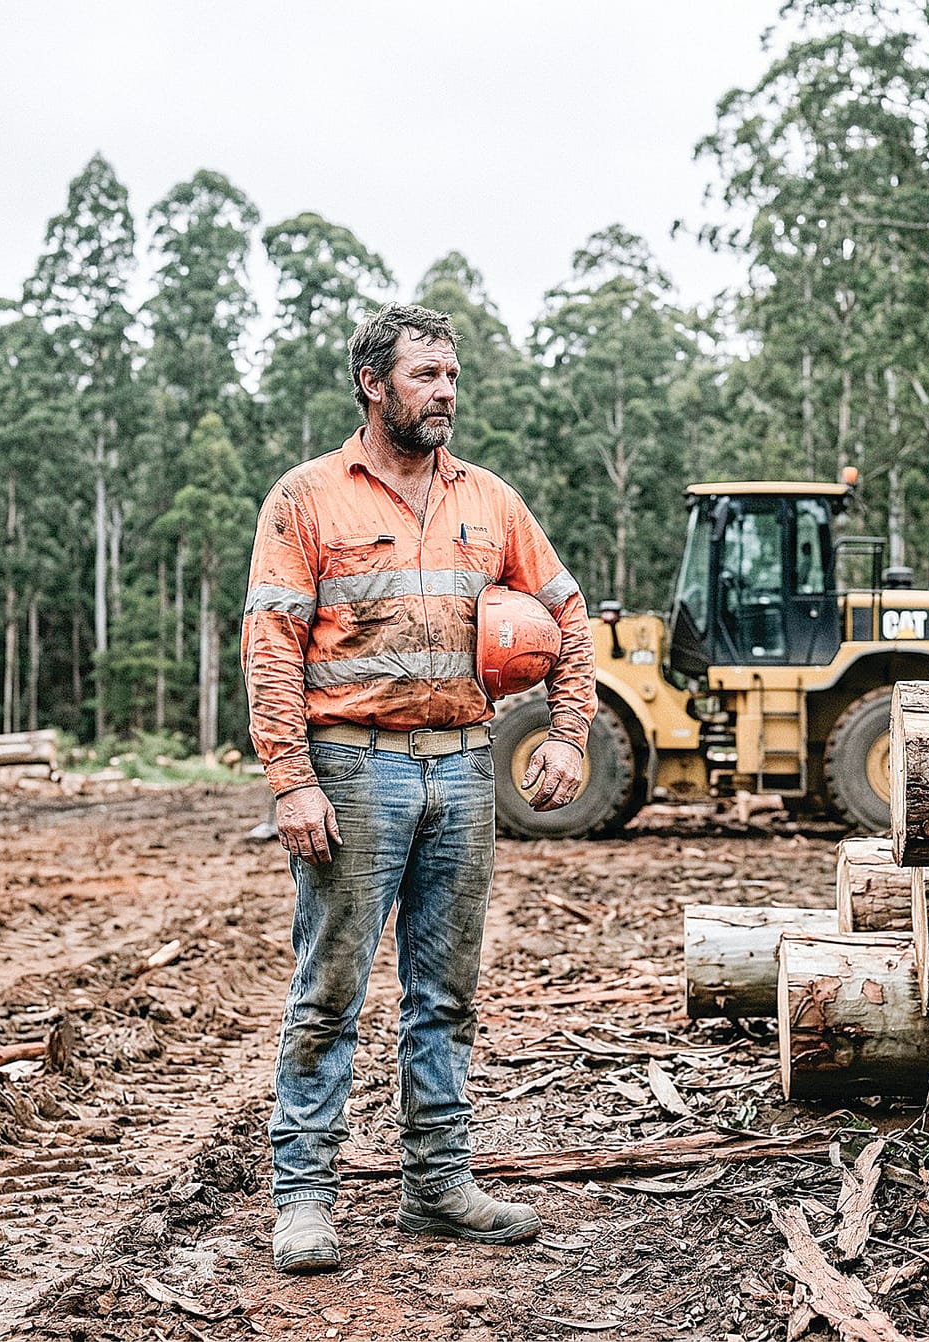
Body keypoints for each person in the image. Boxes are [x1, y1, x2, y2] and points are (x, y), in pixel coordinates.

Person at [241, 303, 594, 1273]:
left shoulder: (490, 500)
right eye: (425, 375)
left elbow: (569, 615)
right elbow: (269, 642)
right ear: (372, 383)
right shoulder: (307, 498)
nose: (445, 392)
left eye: (450, 375)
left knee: (444, 992)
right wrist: (290, 779)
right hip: (352, 770)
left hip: (466, 767)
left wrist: (569, 733)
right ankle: (304, 1195)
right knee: (331, 987)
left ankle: (436, 1185)